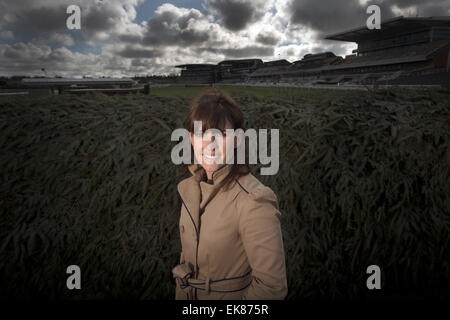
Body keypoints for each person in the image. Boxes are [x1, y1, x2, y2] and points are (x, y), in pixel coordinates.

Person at [172, 88, 287, 300]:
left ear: (237, 140)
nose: (210, 144)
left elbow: (271, 289)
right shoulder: (189, 189)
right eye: (201, 133)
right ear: (190, 138)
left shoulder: (254, 200)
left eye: (222, 134)